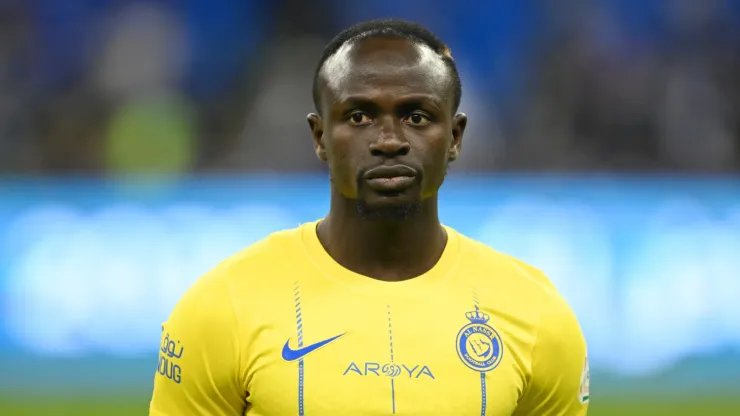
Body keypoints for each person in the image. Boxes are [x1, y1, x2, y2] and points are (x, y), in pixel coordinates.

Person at [149, 18, 590, 415]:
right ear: (320, 136)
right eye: (359, 116)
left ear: (455, 137)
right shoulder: (224, 306)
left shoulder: (536, 315)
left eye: (417, 117)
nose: (389, 140)